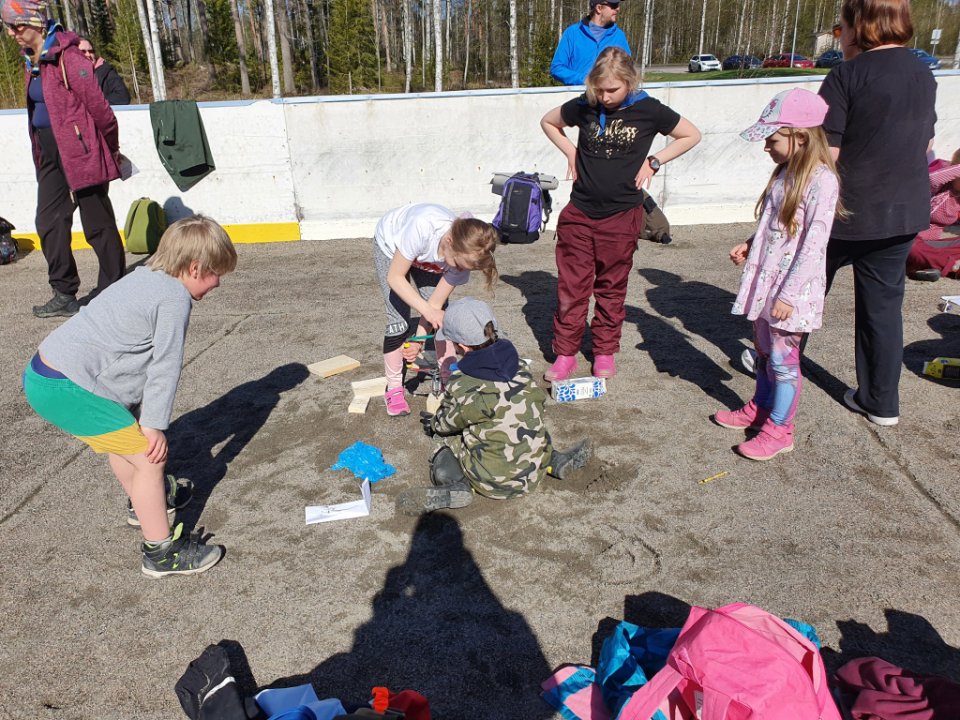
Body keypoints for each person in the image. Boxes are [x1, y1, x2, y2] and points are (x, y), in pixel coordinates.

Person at [21, 215, 237, 578]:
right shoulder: (173, 299)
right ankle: (161, 553)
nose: (218, 283)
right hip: (69, 386)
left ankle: (143, 506)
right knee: (150, 459)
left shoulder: (146, 275)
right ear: (195, 268)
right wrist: (154, 425)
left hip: (45, 374)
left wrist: (138, 421)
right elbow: (164, 365)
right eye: (216, 274)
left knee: (127, 442)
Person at [540, 47, 701, 381]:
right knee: (572, 289)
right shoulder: (585, 106)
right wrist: (571, 151)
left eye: (612, 89)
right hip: (580, 214)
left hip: (622, 216)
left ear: (630, 81)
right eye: (598, 89)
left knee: (611, 289)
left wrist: (654, 161)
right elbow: (549, 122)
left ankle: (604, 352)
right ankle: (566, 354)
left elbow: (691, 134)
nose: (604, 96)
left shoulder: (649, 110)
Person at [814, 0, 937, 426]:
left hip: (843, 210)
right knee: (883, 310)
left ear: (859, 26)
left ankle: (774, 368)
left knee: (801, 294)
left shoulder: (846, 74)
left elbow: (823, 154)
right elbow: (925, 145)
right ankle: (880, 403)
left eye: (841, 26)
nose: (839, 34)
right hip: (902, 212)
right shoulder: (923, 73)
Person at [716, 89, 842, 461]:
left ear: (799, 137)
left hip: (791, 292)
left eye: (772, 140)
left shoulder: (823, 182)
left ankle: (780, 429)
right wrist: (751, 241)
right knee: (764, 353)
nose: (766, 147)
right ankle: (761, 407)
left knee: (785, 362)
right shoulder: (785, 173)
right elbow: (781, 224)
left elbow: (813, 244)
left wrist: (788, 295)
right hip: (766, 284)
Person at [395, 298, 592, 515]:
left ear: (462, 346)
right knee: (523, 420)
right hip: (534, 471)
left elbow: (446, 424)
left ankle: (456, 484)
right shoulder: (519, 366)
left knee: (442, 438)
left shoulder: (462, 382)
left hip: (492, 482)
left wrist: (434, 421)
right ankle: (554, 460)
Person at [2, 0, 126, 318]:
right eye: (8, 26)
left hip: (82, 148)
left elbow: (101, 109)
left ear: (36, 24)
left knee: (97, 223)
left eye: (17, 25)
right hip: (48, 149)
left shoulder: (67, 56)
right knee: (48, 221)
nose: (12, 32)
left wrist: (110, 147)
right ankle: (63, 291)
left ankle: (114, 290)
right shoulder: (33, 61)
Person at [373, 203, 498, 417]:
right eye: (458, 264)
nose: (459, 271)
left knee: (442, 317)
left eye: (465, 269)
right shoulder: (422, 228)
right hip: (392, 244)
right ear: (450, 241)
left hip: (428, 257)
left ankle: (447, 381)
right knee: (398, 322)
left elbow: (435, 306)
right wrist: (428, 313)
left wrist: (419, 340)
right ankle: (394, 388)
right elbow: (395, 278)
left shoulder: (460, 264)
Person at [906, 148, 960, 282]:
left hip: (931, 245)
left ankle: (929, 265)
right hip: (909, 238)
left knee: (920, 252)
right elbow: (929, 180)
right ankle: (951, 266)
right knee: (910, 248)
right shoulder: (940, 184)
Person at [550, 0, 631, 86]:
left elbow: (628, 69)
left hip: (608, 97)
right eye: (613, 5)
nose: (617, 8)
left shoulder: (619, 35)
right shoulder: (572, 33)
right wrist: (584, 80)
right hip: (577, 96)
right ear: (599, 8)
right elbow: (557, 68)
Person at [77, 36, 131, 106]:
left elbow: (123, 96)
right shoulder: (66, 76)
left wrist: (97, 104)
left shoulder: (106, 71)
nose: (88, 54)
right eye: (83, 51)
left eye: (91, 51)